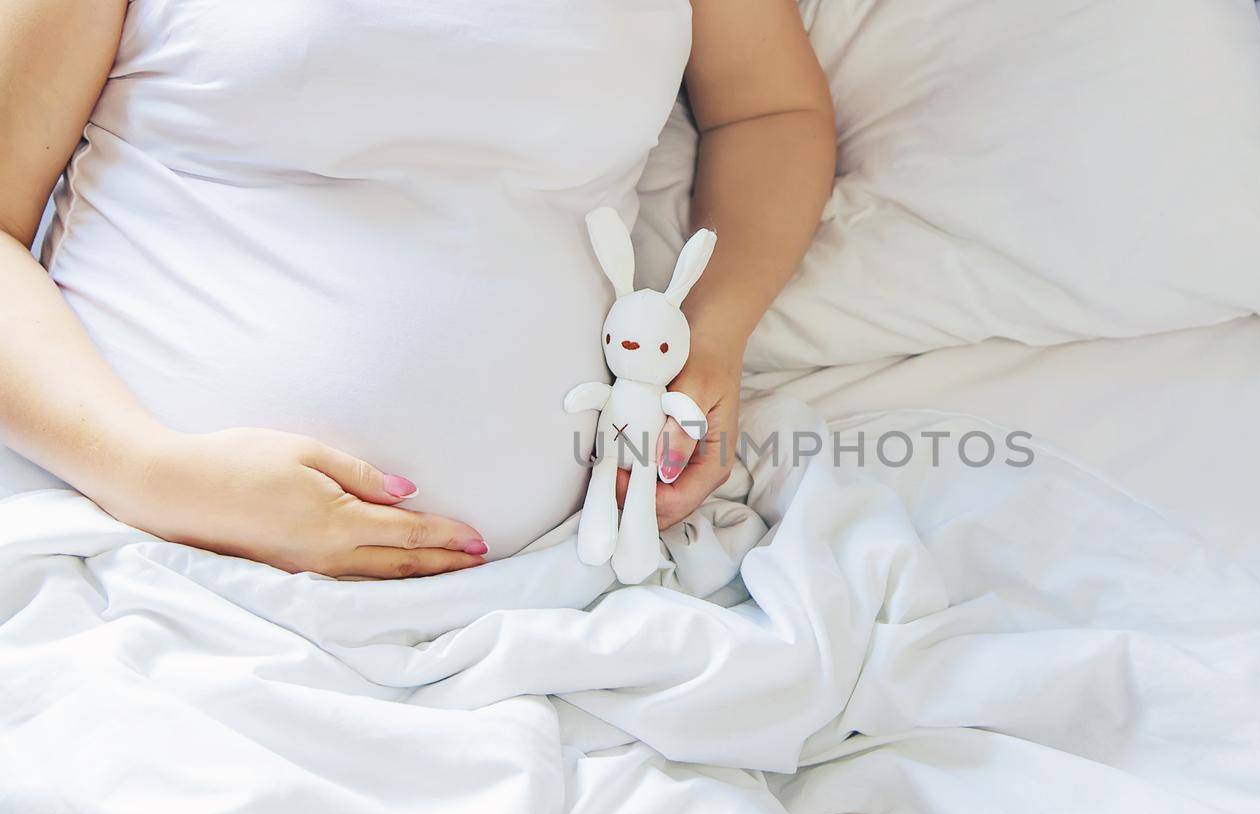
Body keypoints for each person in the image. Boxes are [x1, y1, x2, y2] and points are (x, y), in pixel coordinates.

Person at [0, 0, 834, 579]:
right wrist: (152, 475)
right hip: (129, 552)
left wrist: (711, 337)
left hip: (551, 598)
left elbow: (770, 112)